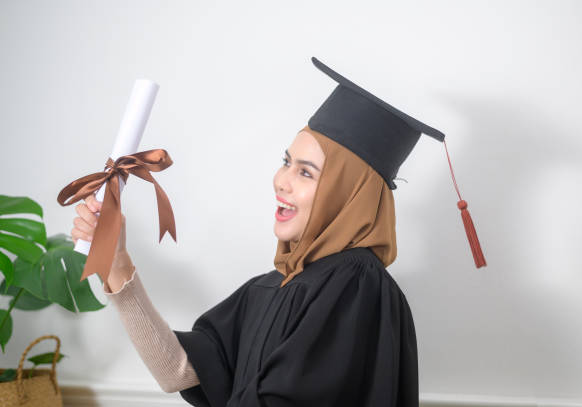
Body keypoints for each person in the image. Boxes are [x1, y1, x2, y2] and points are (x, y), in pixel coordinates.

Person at [71, 56, 480, 406]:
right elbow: (178, 371)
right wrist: (117, 263)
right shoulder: (274, 286)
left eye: (306, 172)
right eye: (287, 162)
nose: (281, 180)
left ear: (348, 195)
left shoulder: (354, 284)